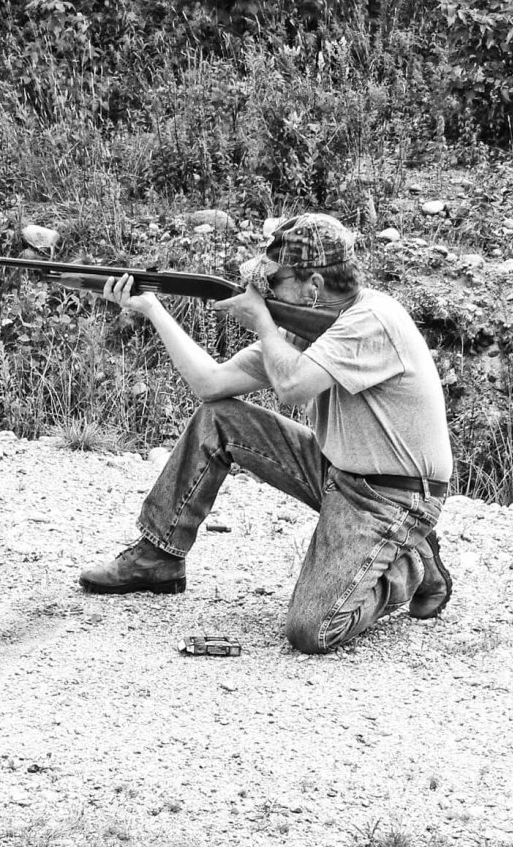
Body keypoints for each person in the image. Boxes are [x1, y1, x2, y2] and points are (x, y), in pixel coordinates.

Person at [79, 213, 453, 654]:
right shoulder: (305, 327)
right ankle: (157, 556)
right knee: (219, 418)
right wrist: (152, 308)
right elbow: (211, 386)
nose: (265, 290)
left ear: (313, 286)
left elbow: (293, 388)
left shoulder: (372, 320)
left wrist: (261, 321)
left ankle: (408, 562)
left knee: (312, 631)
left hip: (393, 496)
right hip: (337, 470)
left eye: (274, 281)